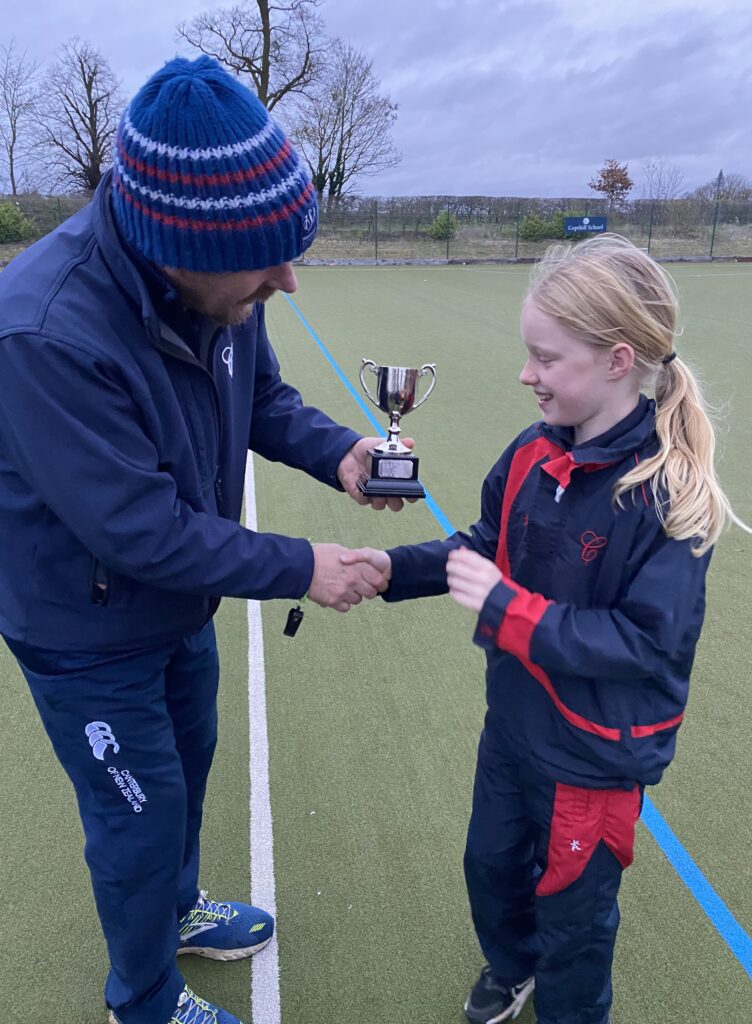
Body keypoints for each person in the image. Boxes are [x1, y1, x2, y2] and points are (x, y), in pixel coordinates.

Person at [0, 57, 396, 1024]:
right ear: (180, 241)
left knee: (187, 768)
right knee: (135, 821)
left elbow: (260, 398)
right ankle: (141, 1001)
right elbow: (140, 531)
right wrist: (304, 565)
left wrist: (342, 452)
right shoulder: (43, 331)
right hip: (83, 630)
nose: (287, 279)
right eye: (267, 261)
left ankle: (177, 912)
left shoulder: (222, 283)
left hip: (178, 607)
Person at [347, 234, 749, 1024]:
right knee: (490, 865)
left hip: (594, 757)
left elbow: (643, 643)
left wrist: (507, 609)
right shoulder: (532, 453)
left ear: (616, 360)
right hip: (515, 728)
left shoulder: (669, 496)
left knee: (576, 921)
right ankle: (511, 965)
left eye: (545, 358)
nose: (526, 374)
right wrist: (395, 572)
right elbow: (480, 546)